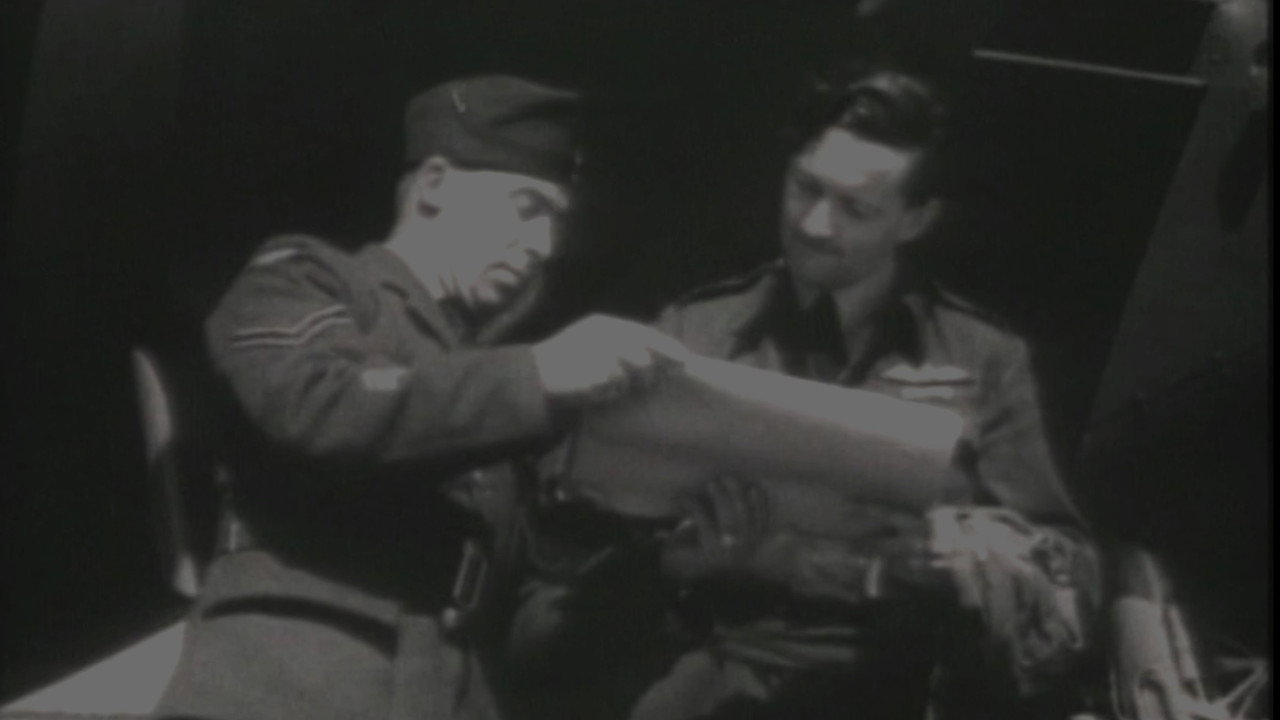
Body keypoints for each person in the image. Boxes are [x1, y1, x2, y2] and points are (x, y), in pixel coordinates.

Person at [512, 59, 1101, 720]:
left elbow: (1068, 566)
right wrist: (674, 559)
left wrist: (969, 549)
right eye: (805, 188)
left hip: (892, 686)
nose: (817, 224)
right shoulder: (695, 332)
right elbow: (576, 535)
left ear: (915, 219)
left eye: (856, 208)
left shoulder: (982, 358)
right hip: (706, 673)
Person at [153, 74, 689, 720]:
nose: (544, 247)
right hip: (294, 678)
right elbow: (315, 403)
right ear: (434, 184)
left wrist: (665, 561)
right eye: (528, 207)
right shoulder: (308, 277)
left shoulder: (489, 402)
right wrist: (538, 376)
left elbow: (522, 627)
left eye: (556, 223)